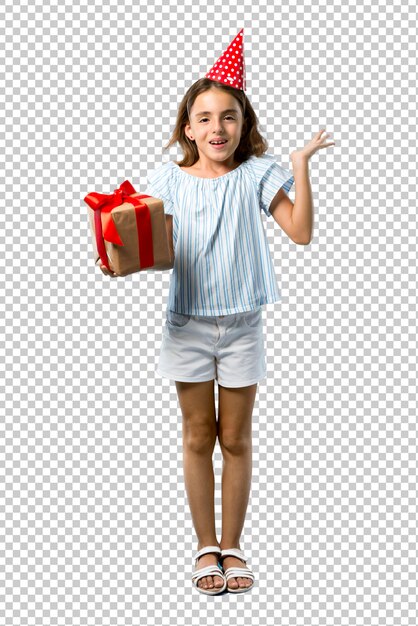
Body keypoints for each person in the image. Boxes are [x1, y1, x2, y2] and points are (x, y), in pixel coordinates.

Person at [99, 29, 335, 595]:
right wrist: (118, 258)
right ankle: (205, 547)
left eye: (228, 117)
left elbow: (300, 233)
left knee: (236, 438)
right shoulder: (168, 181)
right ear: (188, 128)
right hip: (187, 324)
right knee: (197, 435)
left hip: (243, 326)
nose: (217, 129)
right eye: (204, 118)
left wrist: (300, 163)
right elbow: (153, 247)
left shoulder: (258, 174)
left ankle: (234, 547)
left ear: (243, 123)